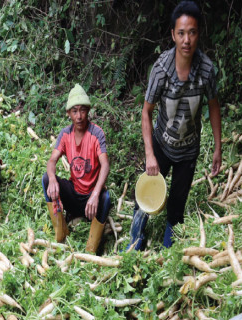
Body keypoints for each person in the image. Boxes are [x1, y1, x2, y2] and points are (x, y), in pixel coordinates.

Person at [128, 1, 221, 250]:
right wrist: (149, 155)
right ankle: (135, 241)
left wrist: (217, 147)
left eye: (192, 32)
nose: (187, 39)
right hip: (161, 143)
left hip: (188, 150)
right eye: (181, 33)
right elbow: (146, 112)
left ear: (198, 33)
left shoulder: (207, 71)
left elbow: (213, 106)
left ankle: (168, 255)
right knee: (144, 198)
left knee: (177, 205)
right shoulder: (161, 70)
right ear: (173, 35)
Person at [42, 84, 111, 253]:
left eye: (82, 110)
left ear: (88, 111)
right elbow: (52, 161)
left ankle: (91, 249)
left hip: (90, 201)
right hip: (74, 195)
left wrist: (95, 194)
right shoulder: (65, 134)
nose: (79, 116)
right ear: (68, 114)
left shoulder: (96, 134)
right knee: (46, 178)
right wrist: (52, 179)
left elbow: (105, 164)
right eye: (74, 111)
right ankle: (61, 232)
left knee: (106, 197)